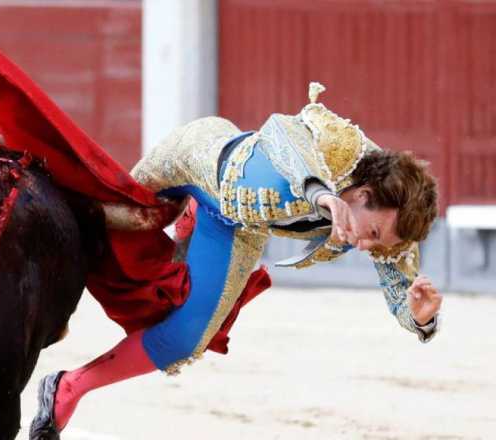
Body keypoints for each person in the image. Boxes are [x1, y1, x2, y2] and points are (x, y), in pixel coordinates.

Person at [28, 82, 444, 439]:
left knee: (185, 340)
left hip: (236, 226)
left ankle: (67, 388)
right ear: (363, 194)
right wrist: (320, 192)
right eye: (372, 235)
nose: (369, 248)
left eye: (378, 244)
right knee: (109, 223)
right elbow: (281, 132)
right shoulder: (342, 147)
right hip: (194, 158)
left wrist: (420, 318)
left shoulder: (391, 227)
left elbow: (399, 286)